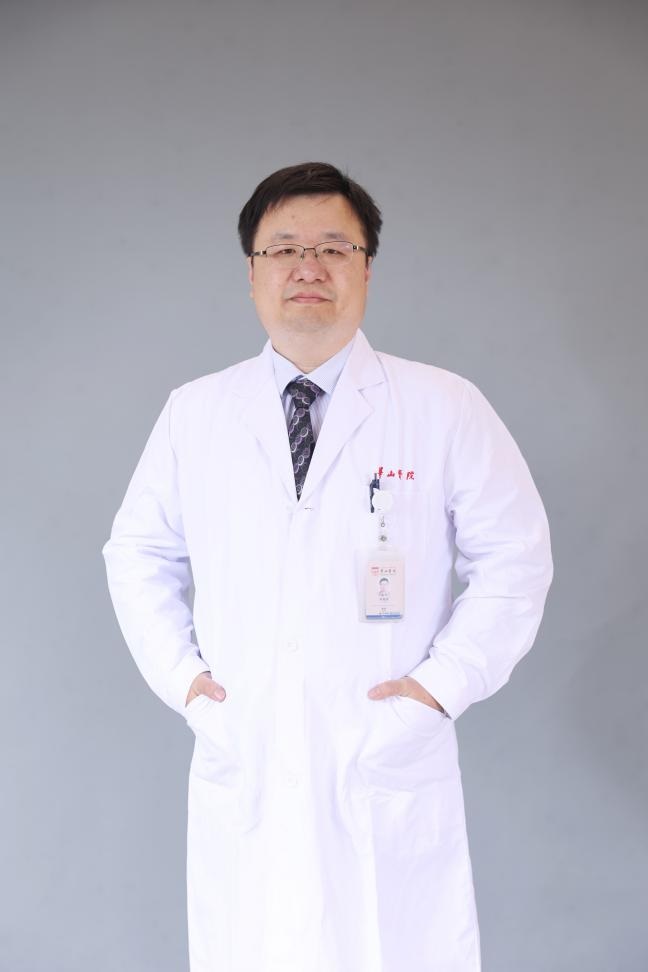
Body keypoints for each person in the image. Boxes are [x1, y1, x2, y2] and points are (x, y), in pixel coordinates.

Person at [102, 161, 553, 972]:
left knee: (391, 944)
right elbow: (137, 552)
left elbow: (516, 559)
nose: (308, 267)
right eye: (283, 249)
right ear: (252, 273)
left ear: (366, 268)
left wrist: (439, 688)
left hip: (383, 748)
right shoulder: (195, 412)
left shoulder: (443, 406)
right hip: (247, 742)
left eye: (334, 248)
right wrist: (185, 681)